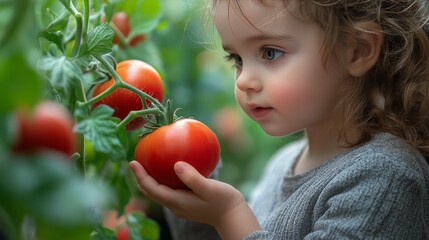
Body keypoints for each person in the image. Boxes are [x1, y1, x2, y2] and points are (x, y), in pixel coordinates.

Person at [129, 0, 429, 239]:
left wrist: (228, 215)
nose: (245, 80)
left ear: (358, 51)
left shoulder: (387, 177)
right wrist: (194, 203)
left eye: (270, 53)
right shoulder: (282, 163)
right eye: (237, 59)